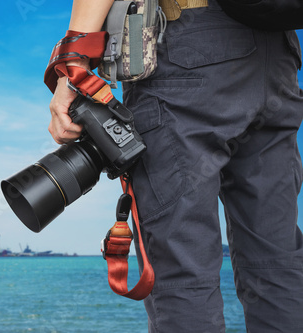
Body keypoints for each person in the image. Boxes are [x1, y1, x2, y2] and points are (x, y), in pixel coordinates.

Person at [47, 0, 303, 331]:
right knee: (276, 265)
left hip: (187, 50)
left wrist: (74, 59)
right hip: (277, 56)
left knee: (182, 271)